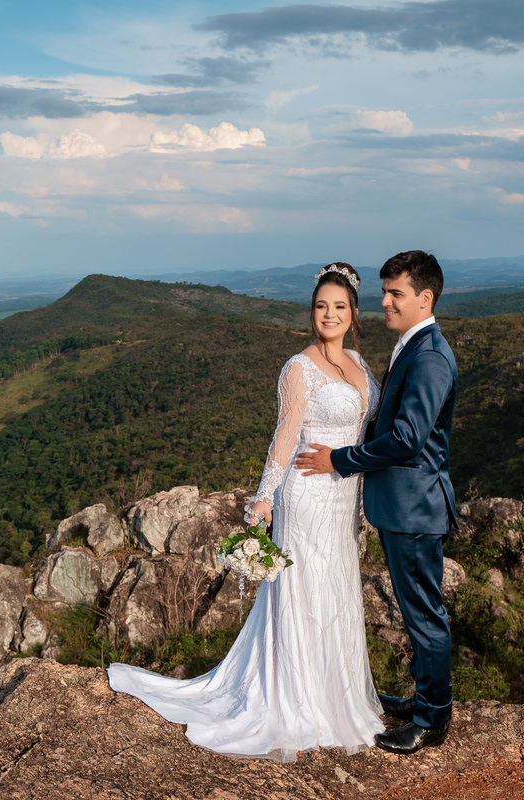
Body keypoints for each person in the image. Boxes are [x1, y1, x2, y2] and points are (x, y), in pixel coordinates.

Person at [107, 262, 385, 761]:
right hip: (305, 492)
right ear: (312, 312)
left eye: (339, 306)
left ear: (354, 313)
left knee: (337, 589)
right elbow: (285, 434)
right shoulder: (298, 368)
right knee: (305, 591)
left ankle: (333, 696)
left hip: (344, 498)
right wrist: (264, 496)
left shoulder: (361, 366)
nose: (329, 314)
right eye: (321, 306)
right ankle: (297, 702)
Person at [295, 250, 458, 755]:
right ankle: (423, 698)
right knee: (416, 614)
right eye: (384, 292)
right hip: (403, 507)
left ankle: (432, 720)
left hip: (414, 509)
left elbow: (408, 439)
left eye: (395, 294)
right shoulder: (412, 345)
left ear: (424, 298)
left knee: (425, 615)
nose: (384, 302)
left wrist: (341, 459)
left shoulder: (428, 355)